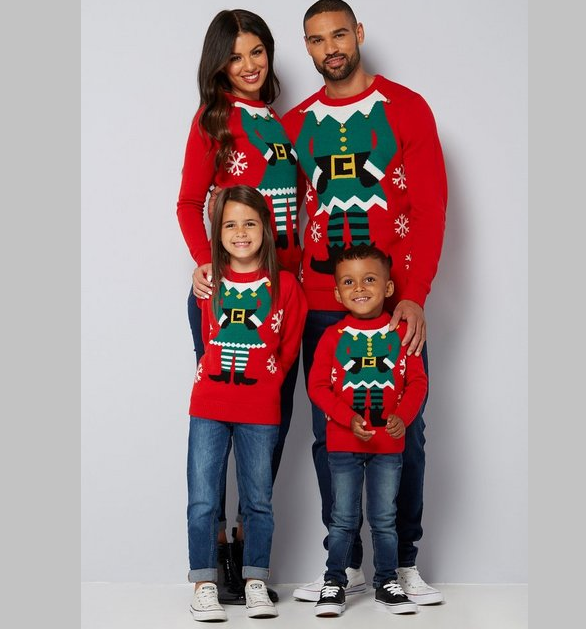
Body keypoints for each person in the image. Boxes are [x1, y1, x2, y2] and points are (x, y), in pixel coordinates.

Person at [282, 0, 447, 604]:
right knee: (333, 434)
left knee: (408, 427)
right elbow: (284, 214)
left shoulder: (406, 108)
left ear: (359, 34)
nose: (330, 48)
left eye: (339, 34)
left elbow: (429, 208)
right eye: (316, 39)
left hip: (394, 303)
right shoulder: (297, 124)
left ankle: (402, 562)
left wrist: (416, 295)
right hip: (320, 301)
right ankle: (344, 563)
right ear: (308, 48)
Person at [175, 9, 301, 604]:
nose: (249, 65)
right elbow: (187, 201)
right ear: (218, 63)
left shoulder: (278, 124)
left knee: (267, 425)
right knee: (224, 406)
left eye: (258, 52)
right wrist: (205, 261)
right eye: (236, 55)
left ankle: (251, 551)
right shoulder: (215, 120)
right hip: (229, 295)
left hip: (284, 292)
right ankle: (217, 550)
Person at [186, 185, 307, 621]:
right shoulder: (208, 282)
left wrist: (271, 375)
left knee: (258, 500)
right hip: (209, 405)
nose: (240, 232)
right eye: (230, 224)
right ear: (217, 232)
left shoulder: (286, 286)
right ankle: (204, 583)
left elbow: (289, 344)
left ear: (266, 229)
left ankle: (256, 580)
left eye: (250, 223)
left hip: (260, 409)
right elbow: (204, 340)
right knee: (202, 498)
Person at [308, 244, 428, 616]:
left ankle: (387, 581)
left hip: (388, 448)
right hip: (343, 444)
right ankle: (334, 581)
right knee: (343, 518)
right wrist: (346, 418)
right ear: (338, 293)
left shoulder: (401, 333)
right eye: (349, 281)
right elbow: (318, 387)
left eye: (370, 279)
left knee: (384, 518)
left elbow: (417, 383)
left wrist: (403, 418)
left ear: (389, 288)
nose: (360, 288)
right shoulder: (333, 336)